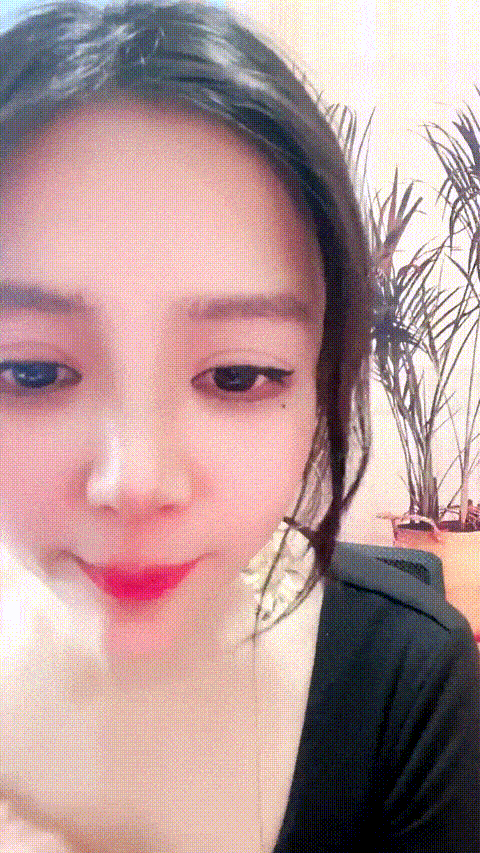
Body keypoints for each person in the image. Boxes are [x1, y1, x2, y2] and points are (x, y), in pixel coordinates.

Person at [0, 3, 478, 852]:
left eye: (237, 375)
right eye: (32, 372)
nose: (136, 482)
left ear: (325, 375)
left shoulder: (407, 681)